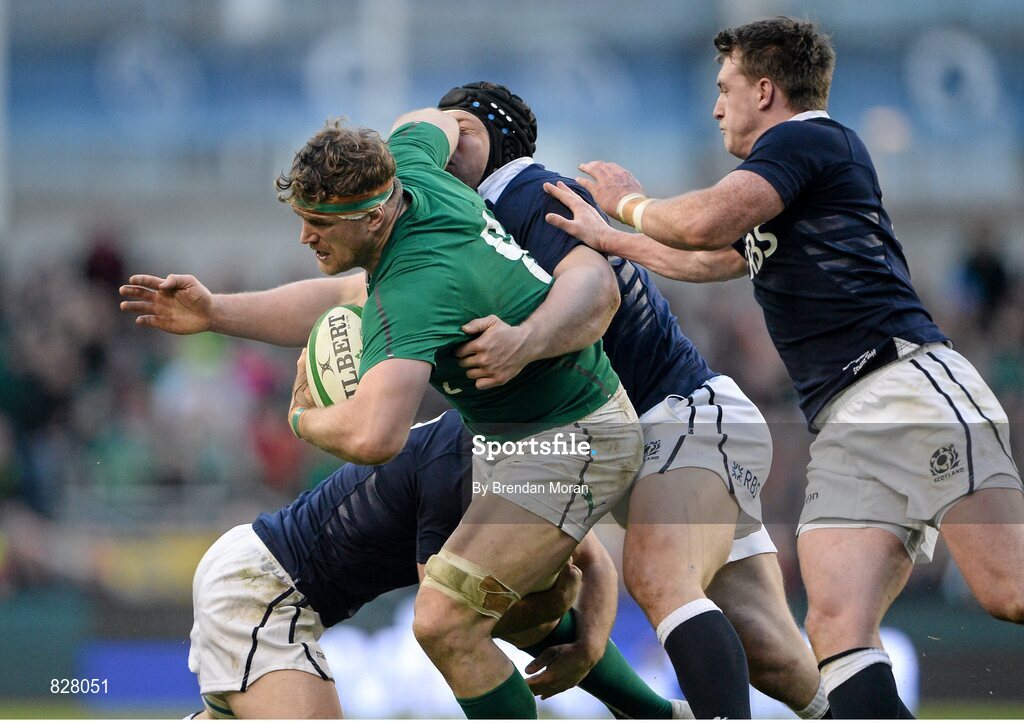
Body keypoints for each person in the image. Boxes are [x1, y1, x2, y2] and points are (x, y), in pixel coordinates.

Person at [543, 16, 1024, 719]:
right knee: (834, 632)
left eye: (725, 89)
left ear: (765, 91)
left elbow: (706, 223)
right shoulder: (791, 178)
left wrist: (628, 202)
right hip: (843, 422)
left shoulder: (807, 138)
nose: (715, 107)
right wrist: (613, 237)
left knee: (1007, 590)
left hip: (906, 389)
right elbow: (710, 258)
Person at [125, 109, 644, 719]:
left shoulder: (414, 293)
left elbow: (374, 435)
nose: (304, 237)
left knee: (448, 621)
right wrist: (215, 313)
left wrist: (304, 419)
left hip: (574, 438)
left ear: (373, 215)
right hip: (564, 433)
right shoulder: (414, 168)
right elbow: (443, 119)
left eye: (318, 222)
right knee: (493, 613)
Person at [436, 81, 828, 719]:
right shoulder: (478, 220)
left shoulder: (529, 192)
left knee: (656, 575)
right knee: (773, 655)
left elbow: (596, 299)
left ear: (501, 136)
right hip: (654, 435)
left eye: (463, 128)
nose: (446, 143)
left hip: (678, 413)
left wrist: (524, 342)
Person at [183, 409, 681, 719]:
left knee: (527, 600)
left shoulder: (524, 455)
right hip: (263, 592)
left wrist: (589, 646)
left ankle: (656, 715)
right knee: (487, 613)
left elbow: (595, 563)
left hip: (270, 586)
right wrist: (553, 602)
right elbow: (445, 616)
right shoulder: (455, 466)